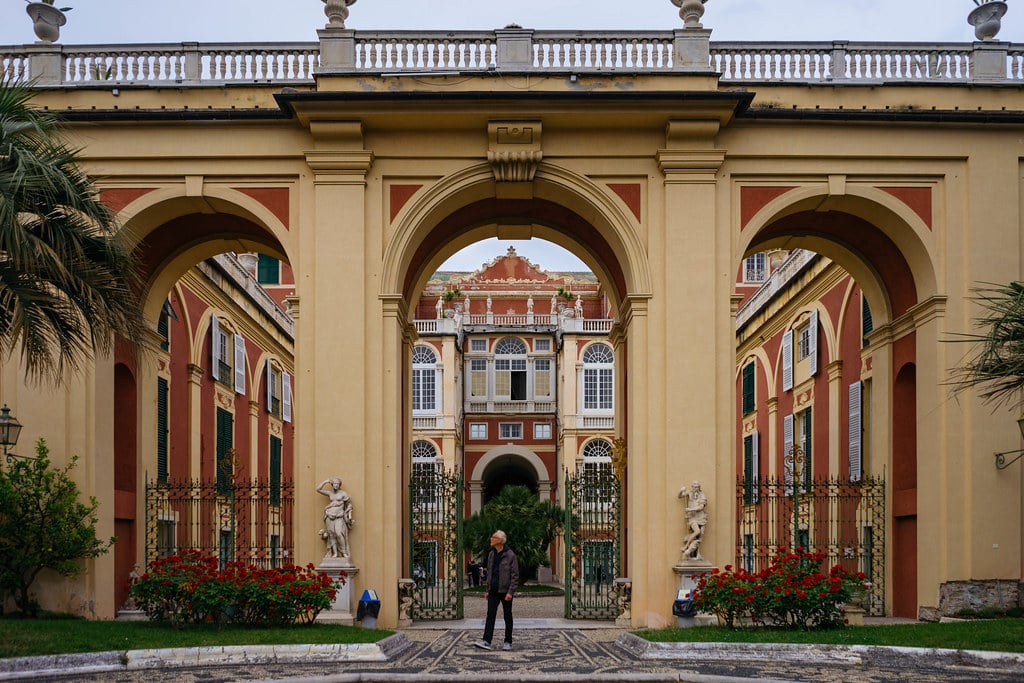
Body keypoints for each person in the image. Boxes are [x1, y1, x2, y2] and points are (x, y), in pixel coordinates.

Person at [473, 530, 519, 652]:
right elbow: (490, 573)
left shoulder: (510, 555)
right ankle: (486, 641)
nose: (491, 539)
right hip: (493, 590)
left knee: (507, 616)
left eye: (493, 537)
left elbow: (515, 576)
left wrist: (510, 592)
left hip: (505, 591)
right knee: (490, 615)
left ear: (500, 540)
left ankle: (508, 641)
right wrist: (487, 589)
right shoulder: (491, 554)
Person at [317, 478, 353, 559]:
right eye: (334, 483)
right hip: (329, 515)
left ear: (339, 485)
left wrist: (349, 515)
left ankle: (344, 552)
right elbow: (318, 489)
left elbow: (349, 504)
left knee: (339, 533)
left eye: (337, 484)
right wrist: (325, 481)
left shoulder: (343, 494)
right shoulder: (330, 493)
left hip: (339, 516)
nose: (336, 485)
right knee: (331, 534)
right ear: (332, 484)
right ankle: (335, 553)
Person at [679, 480, 707, 560]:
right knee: (697, 531)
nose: (696, 488)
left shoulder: (702, 495)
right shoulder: (690, 493)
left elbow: (701, 507)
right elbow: (680, 496)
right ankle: (686, 546)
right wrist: (681, 491)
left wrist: (690, 509)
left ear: (699, 487)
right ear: (692, 487)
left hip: (701, 518)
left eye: (697, 487)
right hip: (692, 518)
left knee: (699, 537)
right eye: (694, 487)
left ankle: (697, 554)